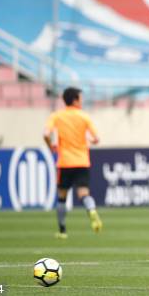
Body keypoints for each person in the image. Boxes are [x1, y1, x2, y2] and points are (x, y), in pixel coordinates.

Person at [43, 87, 102, 239]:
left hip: (65, 162)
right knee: (83, 193)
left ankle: (62, 231)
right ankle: (91, 209)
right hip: (82, 161)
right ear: (75, 100)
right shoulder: (84, 117)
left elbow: (46, 134)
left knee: (62, 197)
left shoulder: (56, 116)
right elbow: (96, 139)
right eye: (81, 98)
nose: (82, 101)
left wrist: (51, 146)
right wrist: (89, 141)